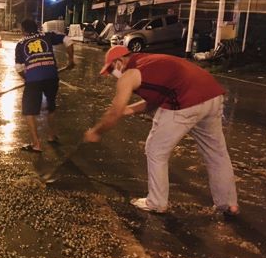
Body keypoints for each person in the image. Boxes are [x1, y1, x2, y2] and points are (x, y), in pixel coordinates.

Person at [84, 45, 239, 216]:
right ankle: (228, 204)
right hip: (212, 96)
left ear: (119, 62)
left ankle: (156, 202)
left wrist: (96, 131)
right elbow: (158, 97)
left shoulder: (129, 74)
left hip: (185, 100)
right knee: (217, 153)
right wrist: (130, 109)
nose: (113, 74)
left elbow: (113, 112)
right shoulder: (149, 62)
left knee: (156, 150)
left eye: (111, 69)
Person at [15, 19, 75, 153]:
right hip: (52, 77)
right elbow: (67, 40)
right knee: (51, 105)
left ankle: (36, 144)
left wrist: (27, 79)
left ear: (23, 30)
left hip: (34, 80)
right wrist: (70, 60)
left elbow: (19, 68)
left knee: (29, 111)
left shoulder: (20, 44)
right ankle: (51, 135)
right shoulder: (47, 36)